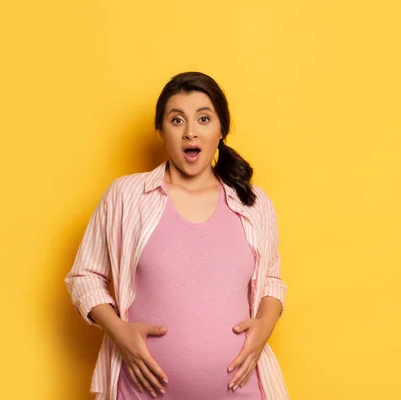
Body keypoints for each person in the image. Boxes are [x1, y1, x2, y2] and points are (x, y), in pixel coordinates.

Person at [65, 71, 289, 400]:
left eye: (203, 118)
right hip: (140, 392)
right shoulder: (126, 196)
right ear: (161, 130)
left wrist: (265, 326)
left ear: (221, 129)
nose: (190, 132)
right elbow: (84, 276)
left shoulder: (253, 202)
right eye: (176, 120)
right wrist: (120, 334)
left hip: (242, 390)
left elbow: (270, 277)